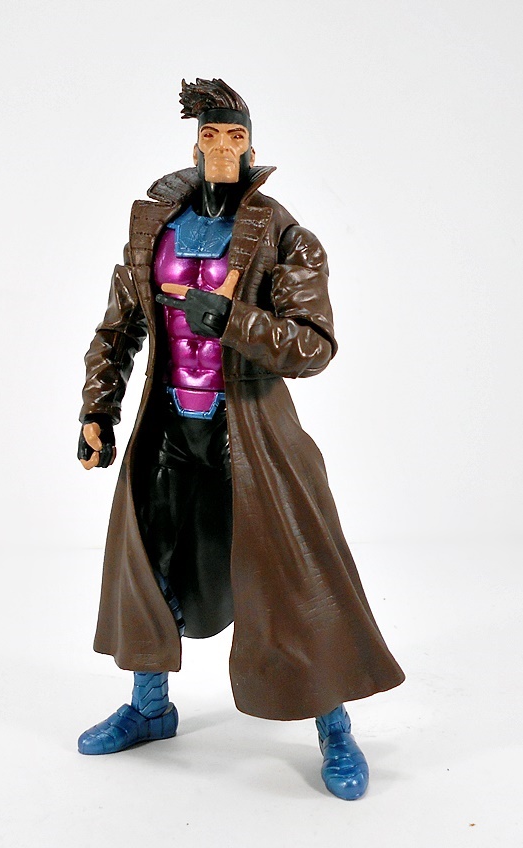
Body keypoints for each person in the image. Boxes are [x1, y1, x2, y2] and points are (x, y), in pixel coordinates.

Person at [77, 78, 404, 800]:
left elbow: (313, 346)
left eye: (234, 136)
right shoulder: (154, 225)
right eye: (210, 135)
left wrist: (231, 321)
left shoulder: (284, 233)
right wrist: (97, 407)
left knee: (295, 580)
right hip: (171, 427)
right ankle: (149, 707)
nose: (222, 147)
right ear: (195, 144)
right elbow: (120, 325)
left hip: (251, 435)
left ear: (250, 145)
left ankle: (334, 727)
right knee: (151, 567)